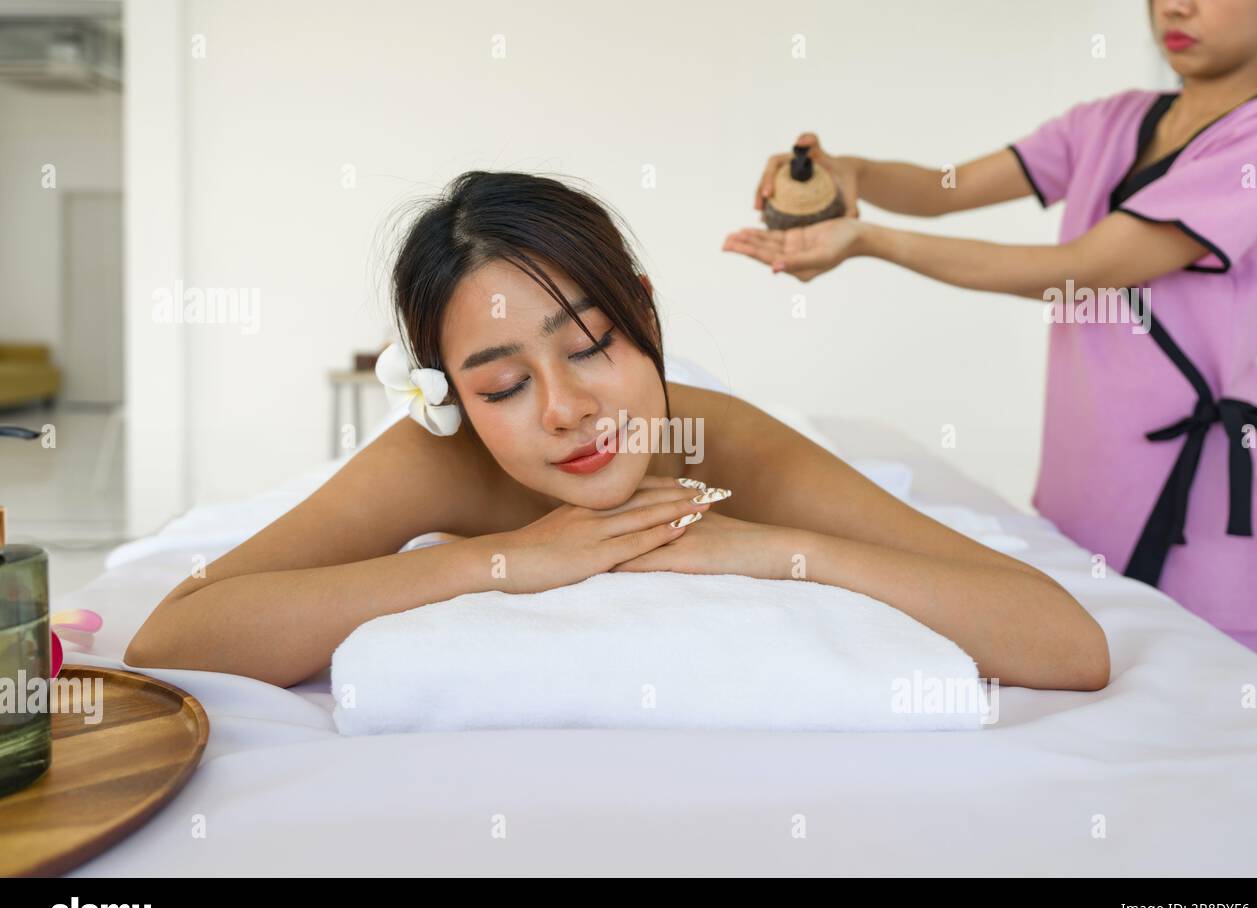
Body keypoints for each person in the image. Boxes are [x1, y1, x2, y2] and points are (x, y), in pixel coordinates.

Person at [124, 171, 1107, 692]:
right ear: (451, 397)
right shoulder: (440, 457)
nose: (564, 409)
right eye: (504, 384)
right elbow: (176, 635)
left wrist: (775, 551)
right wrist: (501, 561)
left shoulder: (725, 445)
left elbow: (1066, 643)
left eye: (591, 344)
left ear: (642, 311)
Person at [724, 1, 1257, 673]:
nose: (1175, 5)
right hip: (1088, 481)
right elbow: (951, 186)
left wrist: (870, 239)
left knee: (1228, 731)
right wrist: (855, 172)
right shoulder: (1112, 120)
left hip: (1216, 520)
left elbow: (1078, 271)